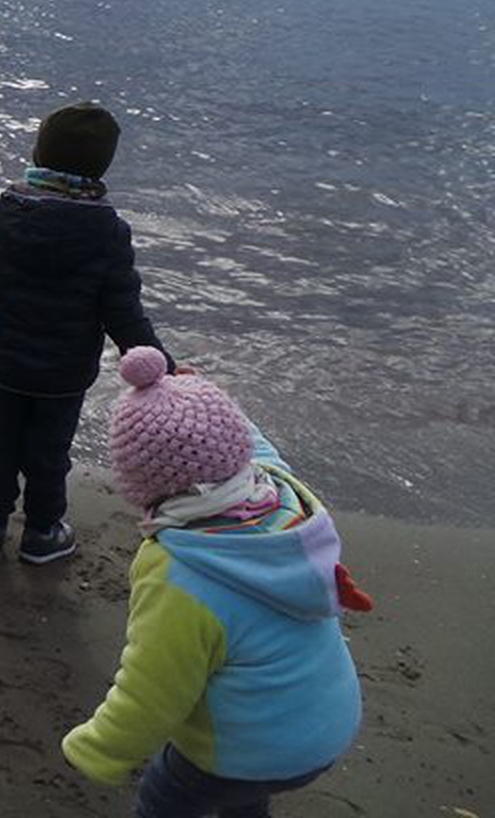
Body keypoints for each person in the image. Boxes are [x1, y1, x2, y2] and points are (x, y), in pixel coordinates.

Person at [63, 347, 371, 816]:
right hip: (328, 721)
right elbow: (255, 444)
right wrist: (199, 396)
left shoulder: (182, 574)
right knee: (242, 795)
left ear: (141, 484)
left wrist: (101, 746)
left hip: (244, 748)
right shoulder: (281, 498)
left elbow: (152, 689)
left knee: (165, 799)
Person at [0, 101, 170, 563]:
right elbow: (123, 307)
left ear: (39, 155)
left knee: (0, 441)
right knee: (49, 451)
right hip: (66, 370)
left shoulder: (10, 212)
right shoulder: (108, 231)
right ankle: (42, 532)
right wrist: (159, 365)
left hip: (5, 360)